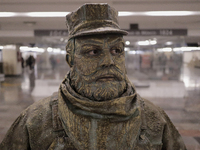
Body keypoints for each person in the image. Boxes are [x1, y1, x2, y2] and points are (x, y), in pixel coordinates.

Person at [0, 3, 186, 150]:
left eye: (116, 50)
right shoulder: (35, 121)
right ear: (70, 60)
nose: (109, 61)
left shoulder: (155, 119)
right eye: (93, 52)